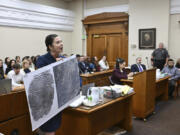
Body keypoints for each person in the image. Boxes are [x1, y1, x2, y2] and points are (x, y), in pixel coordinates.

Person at [36, 34, 64, 135]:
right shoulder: (42, 60)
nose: (61, 44)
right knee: (47, 130)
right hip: (46, 102)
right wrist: (56, 66)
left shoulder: (63, 58)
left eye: (61, 41)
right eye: (57, 42)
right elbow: (43, 80)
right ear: (50, 46)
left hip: (59, 100)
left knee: (54, 129)